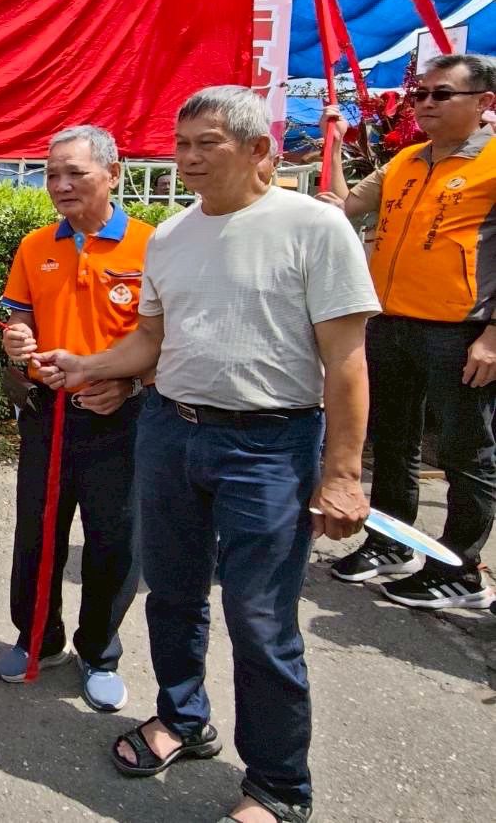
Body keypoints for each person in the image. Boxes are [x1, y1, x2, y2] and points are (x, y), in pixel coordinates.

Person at [34, 86, 379, 823]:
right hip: (168, 430)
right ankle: (182, 720)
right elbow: (151, 344)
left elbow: (346, 361)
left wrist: (342, 475)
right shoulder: (170, 237)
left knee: (259, 618)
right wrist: (91, 366)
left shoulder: (313, 227)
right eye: (181, 143)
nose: (186, 159)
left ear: (259, 150)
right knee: (173, 595)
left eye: (205, 144)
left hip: (269, 444)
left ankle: (277, 786)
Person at [319, 53, 496, 609]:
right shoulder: (405, 162)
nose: (424, 104)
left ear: (484, 103)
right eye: (420, 94)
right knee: (392, 443)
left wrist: (494, 337)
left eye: (441, 95)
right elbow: (340, 207)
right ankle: (391, 544)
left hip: (462, 332)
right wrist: (332, 139)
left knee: (466, 453)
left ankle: (460, 568)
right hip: (391, 322)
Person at [0, 126, 152, 714]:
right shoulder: (37, 246)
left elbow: (172, 338)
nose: (60, 185)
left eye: (75, 173)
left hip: (122, 420)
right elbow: (20, 317)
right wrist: (18, 341)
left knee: (115, 540)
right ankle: (38, 639)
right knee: (37, 535)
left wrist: (131, 381)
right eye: (51, 174)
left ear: (112, 172)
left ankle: (99, 650)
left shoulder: (150, 245)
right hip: (47, 415)